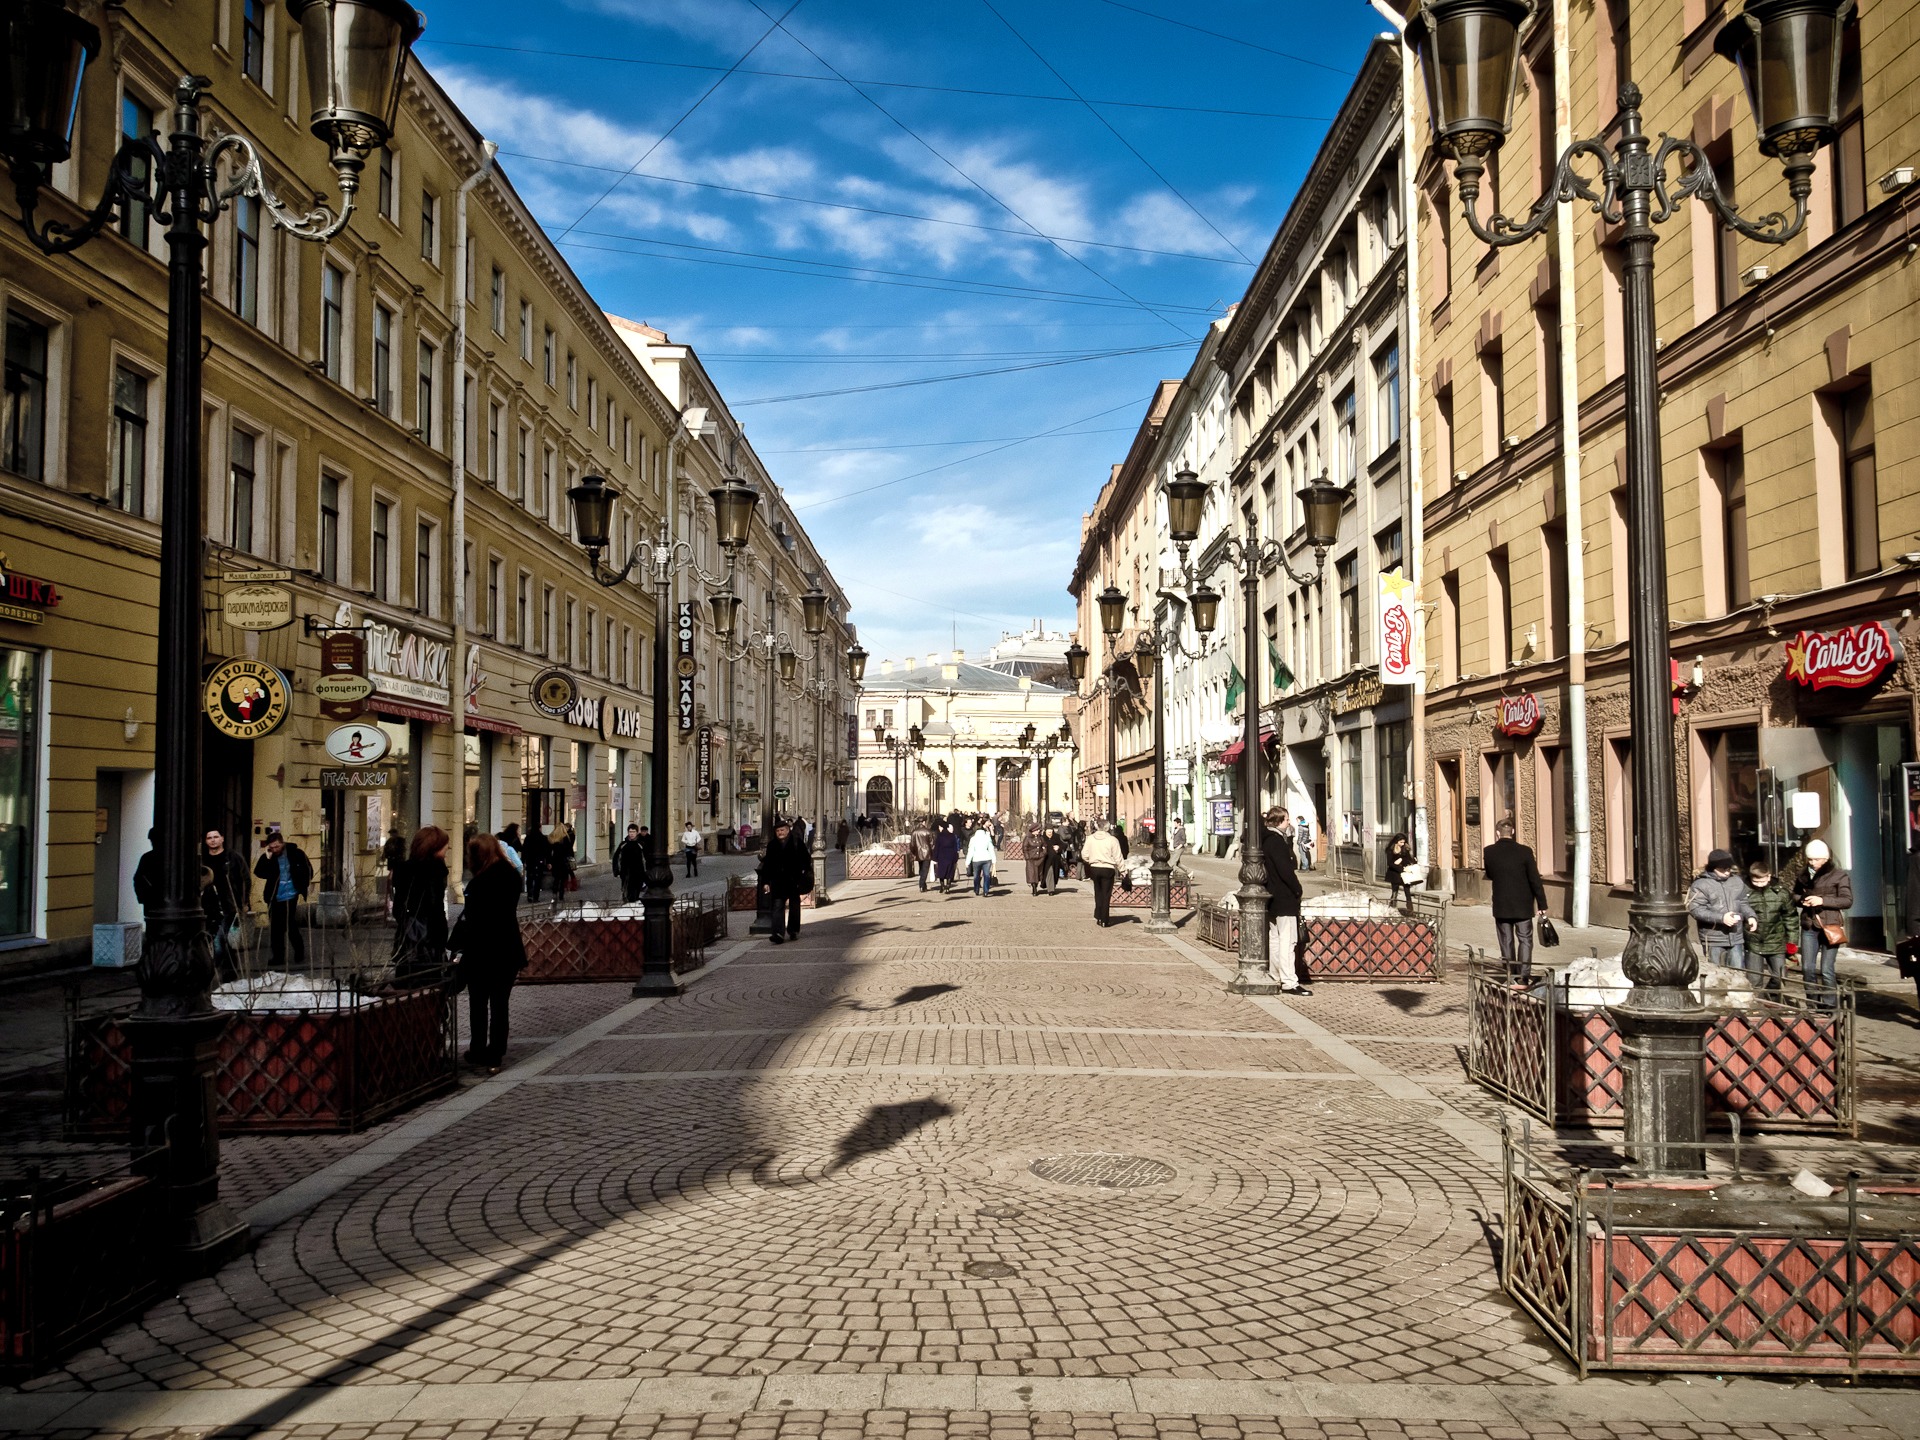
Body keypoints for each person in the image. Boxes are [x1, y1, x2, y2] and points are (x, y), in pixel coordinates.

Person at [450, 832, 526, 1073]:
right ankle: (495, 1054)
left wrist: (459, 946)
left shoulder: (479, 883)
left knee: (478, 1003)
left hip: (481, 951)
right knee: (500, 1004)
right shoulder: (512, 876)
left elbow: (471, 919)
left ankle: (478, 1049)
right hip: (507, 949)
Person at [1482, 817, 1549, 982]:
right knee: (1525, 939)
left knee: (1506, 940)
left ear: (1498, 833)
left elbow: (1489, 874)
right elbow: (1535, 879)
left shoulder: (1489, 851)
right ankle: (1524, 976)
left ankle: (1509, 974)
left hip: (1502, 904)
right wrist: (1542, 904)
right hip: (1523, 905)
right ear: (1512, 832)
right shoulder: (1525, 851)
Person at [1794, 838, 1851, 1011]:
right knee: (1807, 968)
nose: (1812, 863)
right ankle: (1813, 1003)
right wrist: (1803, 900)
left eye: (1816, 859)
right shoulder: (1802, 874)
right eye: (1810, 859)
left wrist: (1821, 900)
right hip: (1809, 925)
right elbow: (1795, 896)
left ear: (1825, 858)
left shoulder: (1839, 875)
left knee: (1827, 969)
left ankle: (1829, 1005)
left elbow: (1847, 900)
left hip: (1830, 926)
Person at [390, 826, 451, 986]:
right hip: (429, 938)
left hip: (407, 937)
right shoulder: (436, 870)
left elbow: (397, 908)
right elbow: (435, 907)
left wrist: (407, 925)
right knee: (429, 987)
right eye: (445, 847)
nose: (447, 850)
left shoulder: (404, 868)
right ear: (435, 847)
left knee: (407, 988)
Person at [1262, 808, 1311, 995]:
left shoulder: (1265, 840)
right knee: (1287, 942)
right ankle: (1289, 981)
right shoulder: (1277, 842)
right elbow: (1285, 871)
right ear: (1279, 821)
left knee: (1274, 939)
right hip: (1284, 897)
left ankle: (1275, 976)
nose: (1289, 823)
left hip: (1270, 897)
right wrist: (1297, 889)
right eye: (1287, 819)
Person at [1687, 848, 1756, 973]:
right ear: (1713, 868)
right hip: (1713, 938)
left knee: (1737, 974)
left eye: (1729, 868)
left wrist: (1750, 916)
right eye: (1723, 869)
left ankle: (1737, 993)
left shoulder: (1736, 881)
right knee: (1716, 974)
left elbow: (1743, 903)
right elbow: (1696, 909)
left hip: (1736, 936)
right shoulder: (1700, 884)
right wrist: (1721, 918)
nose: (1727, 872)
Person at [254, 831, 312, 968]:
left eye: (277, 847)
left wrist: (303, 886)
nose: (275, 850)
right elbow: (259, 872)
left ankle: (299, 952)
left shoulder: (296, 854)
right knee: (275, 928)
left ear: (282, 843)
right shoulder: (269, 857)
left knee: (289, 924)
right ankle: (278, 956)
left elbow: (308, 870)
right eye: (272, 847)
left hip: (291, 896)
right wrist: (267, 857)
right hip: (274, 897)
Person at [201, 828, 251, 982]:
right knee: (213, 941)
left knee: (222, 941)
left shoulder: (233, 858)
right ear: (205, 841)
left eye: (216, 837)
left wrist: (243, 902)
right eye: (209, 837)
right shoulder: (202, 860)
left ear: (222, 839)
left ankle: (224, 975)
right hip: (208, 907)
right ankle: (226, 975)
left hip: (229, 906)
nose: (213, 840)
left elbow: (245, 880)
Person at [759, 816, 813, 943]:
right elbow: (767, 865)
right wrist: (766, 882)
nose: (780, 833)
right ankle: (778, 933)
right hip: (778, 882)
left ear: (788, 830)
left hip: (794, 881)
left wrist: (802, 872)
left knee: (794, 907)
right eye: (778, 831)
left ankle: (793, 930)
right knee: (777, 906)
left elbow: (806, 859)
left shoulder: (796, 842)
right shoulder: (772, 845)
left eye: (782, 830)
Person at [1746, 858, 1795, 998]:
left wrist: (1792, 941)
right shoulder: (1745, 892)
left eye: (1763, 881)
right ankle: (1756, 1007)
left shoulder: (1781, 893)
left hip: (1776, 941)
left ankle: (1770, 999)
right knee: (1754, 980)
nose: (1760, 885)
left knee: (1780, 977)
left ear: (1769, 876)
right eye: (1756, 881)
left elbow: (1790, 917)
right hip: (1753, 941)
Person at [1082, 823, 1123, 926]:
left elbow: (1084, 854)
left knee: (1098, 892)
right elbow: (1118, 857)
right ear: (1107, 828)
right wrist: (1123, 869)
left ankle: (1099, 915)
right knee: (1106, 894)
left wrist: (1091, 860)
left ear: (1097, 827)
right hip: (1108, 868)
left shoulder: (1090, 838)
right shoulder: (1112, 840)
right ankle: (1105, 919)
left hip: (1095, 867)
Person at [614, 824, 649, 903]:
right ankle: (627, 904)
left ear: (637, 832)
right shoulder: (623, 844)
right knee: (626, 890)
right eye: (630, 832)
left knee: (637, 890)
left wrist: (647, 871)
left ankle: (634, 905)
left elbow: (646, 858)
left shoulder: (641, 844)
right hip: (625, 872)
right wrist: (616, 871)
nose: (631, 834)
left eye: (633, 832)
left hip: (638, 872)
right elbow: (616, 857)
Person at [1384, 833, 1415, 912]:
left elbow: (1408, 859)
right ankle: (1392, 908)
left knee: (1407, 891)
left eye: (1403, 842)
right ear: (1396, 841)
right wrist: (1400, 867)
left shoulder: (1405, 848)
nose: (1402, 844)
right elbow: (1390, 863)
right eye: (1401, 842)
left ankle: (1410, 909)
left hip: (1405, 873)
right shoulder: (1390, 850)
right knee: (1395, 891)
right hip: (1394, 873)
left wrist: (1411, 861)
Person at [521, 825, 551, 901]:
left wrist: (523, 860)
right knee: (538, 879)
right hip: (539, 861)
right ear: (539, 828)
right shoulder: (543, 838)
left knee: (530, 878)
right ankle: (536, 896)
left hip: (530, 861)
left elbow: (524, 850)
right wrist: (548, 862)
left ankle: (530, 895)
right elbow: (547, 851)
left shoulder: (528, 838)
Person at [966, 822, 997, 896]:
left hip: (976, 859)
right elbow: (991, 849)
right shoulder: (987, 837)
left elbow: (971, 851)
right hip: (987, 858)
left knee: (976, 875)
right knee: (986, 875)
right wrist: (994, 860)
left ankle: (976, 889)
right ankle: (986, 890)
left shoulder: (973, 839)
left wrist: (967, 861)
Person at [548, 824, 576, 896]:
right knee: (563, 878)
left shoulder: (553, 840)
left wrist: (550, 862)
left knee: (556, 878)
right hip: (564, 861)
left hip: (556, 861)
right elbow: (569, 850)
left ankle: (554, 893)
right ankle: (561, 894)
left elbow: (550, 852)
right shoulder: (566, 839)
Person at [932, 822, 960, 892]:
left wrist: (935, 857)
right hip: (950, 855)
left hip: (941, 855)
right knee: (949, 871)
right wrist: (956, 856)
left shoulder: (939, 836)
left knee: (941, 871)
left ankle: (942, 885)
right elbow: (955, 847)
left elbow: (937, 847)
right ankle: (948, 885)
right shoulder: (952, 836)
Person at [1025, 823, 1050, 896]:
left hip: (1040, 858)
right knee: (1032, 874)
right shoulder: (1028, 838)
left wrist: (1043, 853)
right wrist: (1027, 857)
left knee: (1038, 874)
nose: (1038, 831)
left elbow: (1045, 845)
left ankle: (1036, 885)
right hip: (1031, 859)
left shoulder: (1041, 838)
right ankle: (1034, 888)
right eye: (1037, 830)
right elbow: (1025, 848)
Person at [911, 816, 933, 891]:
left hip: (918, 853)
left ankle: (923, 885)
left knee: (921, 869)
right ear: (924, 822)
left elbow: (912, 844)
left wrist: (914, 852)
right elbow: (932, 844)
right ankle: (921, 884)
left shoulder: (914, 832)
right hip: (927, 853)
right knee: (925, 870)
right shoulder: (928, 831)